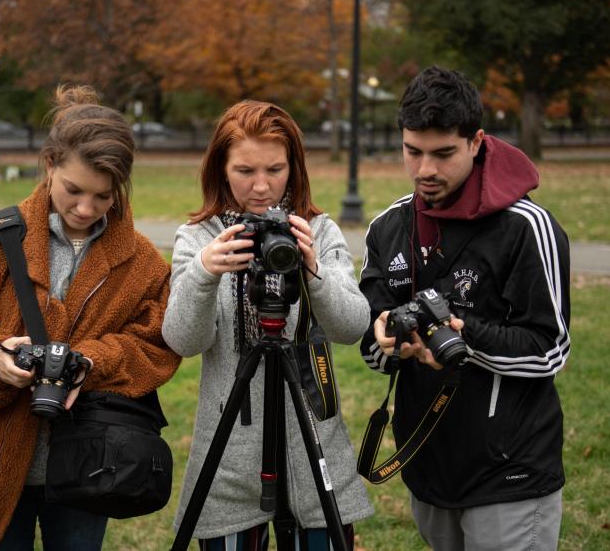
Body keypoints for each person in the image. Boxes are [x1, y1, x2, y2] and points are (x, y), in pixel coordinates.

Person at [0, 85, 181, 551]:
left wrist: (89, 362)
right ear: (49, 163)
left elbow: (155, 342)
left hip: (91, 468)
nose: (86, 208)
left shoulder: (144, 264)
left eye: (103, 196)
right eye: (74, 190)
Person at [359, 66, 571, 551]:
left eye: (443, 153)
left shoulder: (526, 227)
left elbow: (550, 349)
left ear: (476, 142)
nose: (425, 169)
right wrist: (388, 341)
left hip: (509, 466)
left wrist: (463, 336)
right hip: (426, 457)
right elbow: (370, 340)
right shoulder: (388, 226)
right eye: (412, 151)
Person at [162, 100, 373, 549]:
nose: (261, 186)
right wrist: (204, 271)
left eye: (275, 169)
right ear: (220, 169)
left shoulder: (317, 229)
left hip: (313, 443)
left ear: (294, 168)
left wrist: (314, 270)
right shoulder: (199, 237)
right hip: (229, 457)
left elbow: (352, 327)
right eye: (244, 171)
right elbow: (182, 340)